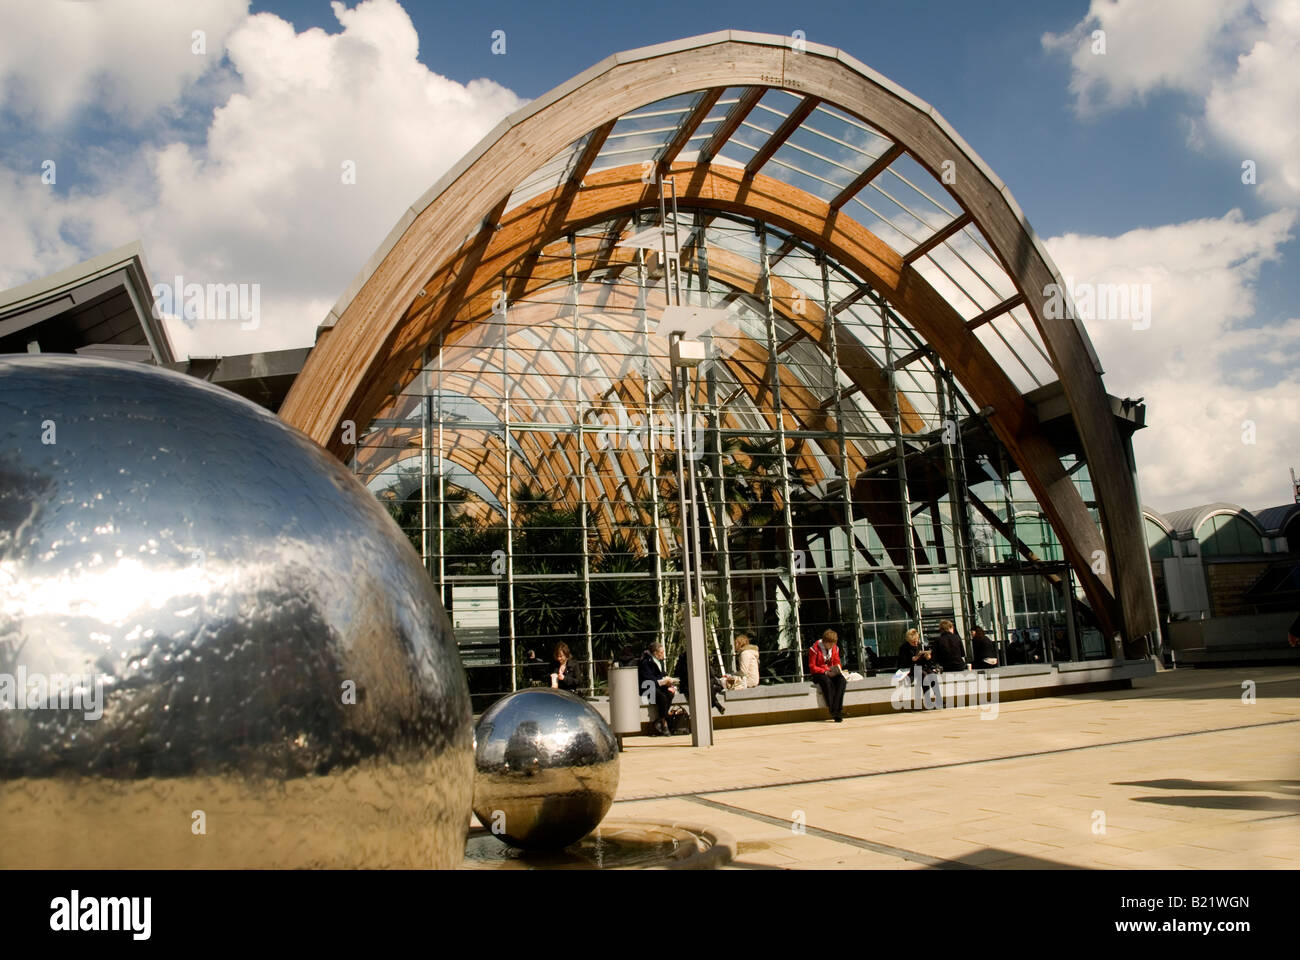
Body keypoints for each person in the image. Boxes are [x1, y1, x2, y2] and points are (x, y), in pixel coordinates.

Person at [638, 641, 677, 736]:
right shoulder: (645, 662)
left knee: (670, 693)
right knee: (662, 697)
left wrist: (668, 681)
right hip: (648, 687)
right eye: (661, 652)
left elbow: (662, 674)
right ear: (655, 653)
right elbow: (648, 678)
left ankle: (659, 720)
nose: (663, 654)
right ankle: (664, 723)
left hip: (658, 685)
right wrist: (661, 681)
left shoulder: (660, 661)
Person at [808, 629, 847, 722]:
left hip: (831, 672)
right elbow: (812, 667)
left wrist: (837, 670)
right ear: (824, 642)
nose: (831, 646)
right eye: (829, 644)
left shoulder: (835, 648)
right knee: (827, 681)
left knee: (842, 680)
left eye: (833, 644)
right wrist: (826, 672)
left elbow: (837, 662)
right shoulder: (814, 649)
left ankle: (837, 709)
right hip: (819, 673)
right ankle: (834, 711)